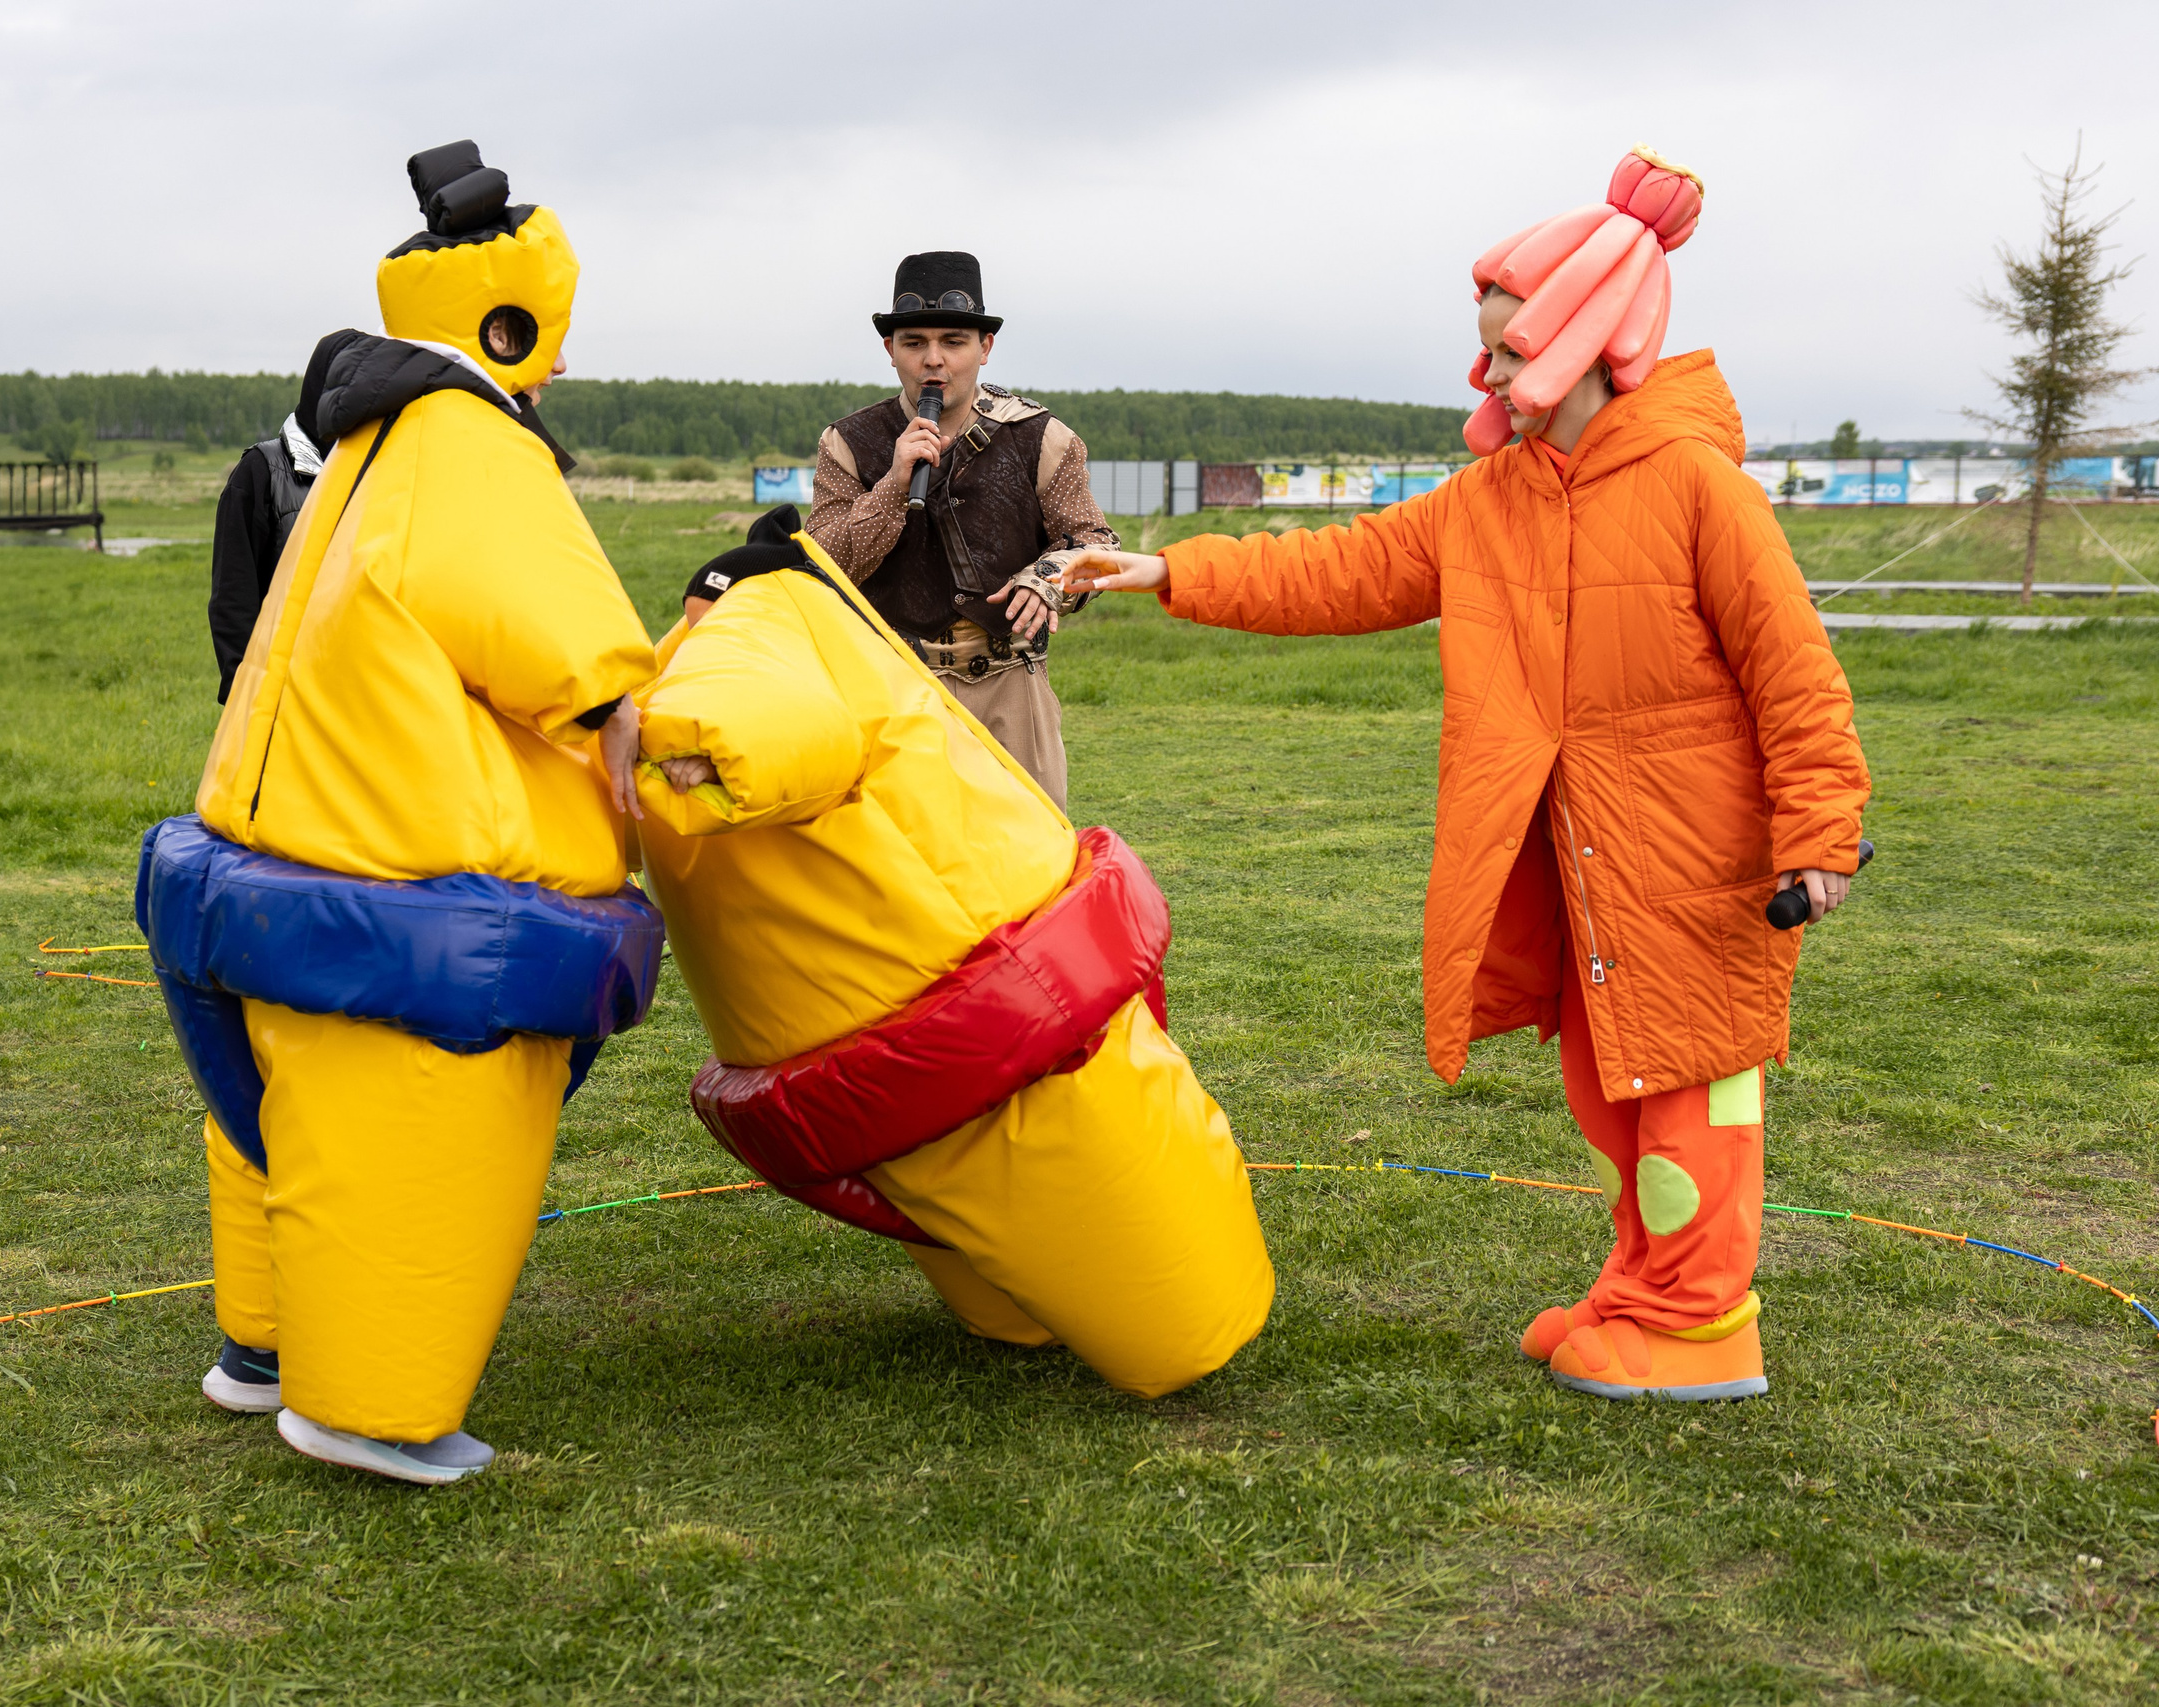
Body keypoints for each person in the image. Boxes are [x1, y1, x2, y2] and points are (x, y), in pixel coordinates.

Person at [1055, 149, 1870, 1404]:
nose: (1484, 373)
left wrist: (1818, 836)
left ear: (1585, 341)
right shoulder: (1489, 501)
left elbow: (1794, 674)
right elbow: (1338, 571)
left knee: (1693, 1093)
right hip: (1576, 863)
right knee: (1611, 1089)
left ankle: (1703, 1326)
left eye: (1503, 349)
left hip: (1701, 866)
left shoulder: (1700, 487)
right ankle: (1640, 1288)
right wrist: (1174, 572)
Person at [140, 140, 663, 1484]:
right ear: (511, 318)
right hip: (395, 876)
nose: (555, 364)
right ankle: (367, 1398)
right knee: (406, 1135)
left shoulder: (362, 441)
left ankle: (260, 1347)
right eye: (549, 335)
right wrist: (624, 710)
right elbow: (551, 623)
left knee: (275, 1123)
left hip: (254, 857)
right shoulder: (469, 445)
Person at [630, 506, 1273, 1400]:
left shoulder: (714, 639)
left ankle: (1051, 1307)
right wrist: (711, 751)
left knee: (1062, 1246)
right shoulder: (761, 619)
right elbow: (777, 719)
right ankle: (1125, 1306)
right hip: (951, 982)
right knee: (1152, 1274)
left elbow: (761, 725)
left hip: (919, 994)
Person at [806, 251, 1117, 810]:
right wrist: (894, 484)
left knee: (1028, 854)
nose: (934, 361)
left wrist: (1045, 578)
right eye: (914, 343)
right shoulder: (848, 443)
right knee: (904, 866)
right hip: (892, 687)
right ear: (890, 351)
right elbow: (823, 565)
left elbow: (1092, 543)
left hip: (1010, 683)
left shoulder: (1043, 438)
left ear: (984, 348)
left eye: (953, 341)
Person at [206, 331, 357, 703]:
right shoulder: (259, 473)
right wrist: (249, 694)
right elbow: (233, 599)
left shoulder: (375, 473)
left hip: (353, 695)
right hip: (279, 693)